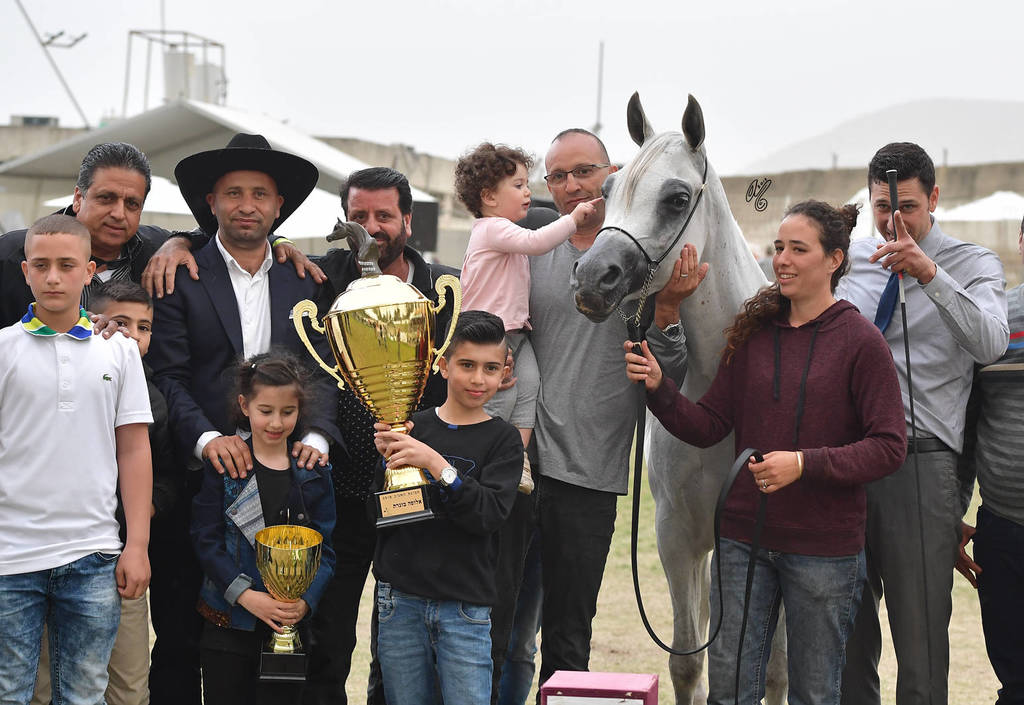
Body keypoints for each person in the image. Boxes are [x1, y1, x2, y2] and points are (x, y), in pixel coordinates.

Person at [625, 200, 907, 704]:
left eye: (799, 249)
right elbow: (709, 424)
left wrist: (804, 464)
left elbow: (888, 448)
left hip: (824, 552)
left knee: (813, 694)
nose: (782, 260)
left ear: (834, 260)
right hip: (741, 545)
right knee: (729, 690)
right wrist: (659, 387)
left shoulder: (862, 342)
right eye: (779, 248)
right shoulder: (752, 335)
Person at [837, 143, 1009, 705]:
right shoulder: (848, 260)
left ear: (935, 198)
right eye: (883, 206)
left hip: (922, 463)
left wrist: (929, 273)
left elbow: (990, 342)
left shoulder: (973, 263)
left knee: (921, 641)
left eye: (907, 205)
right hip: (845, 462)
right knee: (846, 637)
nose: (895, 220)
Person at [526, 128, 690, 694]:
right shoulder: (531, 249)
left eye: (584, 171)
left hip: (588, 472)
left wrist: (666, 311)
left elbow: (673, 371)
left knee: (568, 637)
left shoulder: (644, 261)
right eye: (557, 176)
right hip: (514, 468)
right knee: (495, 628)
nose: (572, 186)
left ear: (612, 174)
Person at [304, 166, 459, 705]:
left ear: (408, 221)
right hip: (340, 489)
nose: (370, 227)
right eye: (358, 216)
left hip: (416, 492)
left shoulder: (444, 289)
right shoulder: (319, 279)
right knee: (329, 632)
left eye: (383, 216)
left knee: (405, 638)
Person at [0, 214, 153, 704]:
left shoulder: (120, 351)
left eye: (66, 265)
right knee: (10, 691)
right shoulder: (3, 349)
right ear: (25, 271)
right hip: (10, 556)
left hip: (93, 553)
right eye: (41, 265)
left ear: (89, 272)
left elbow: (133, 450)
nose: (52, 277)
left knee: (85, 693)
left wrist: (137, 545)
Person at [32, 280, 178, 705]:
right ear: (93, 319)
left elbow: (167, 474)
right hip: (49, 552)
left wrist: (138, 520)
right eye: (120, 322)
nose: (133, 334)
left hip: (118, 557)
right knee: (45, 684)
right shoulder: (53, 373)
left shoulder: (156, 397)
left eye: (144, 326)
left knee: (129, 685)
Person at [371, 310, 523, 705]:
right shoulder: (410, 426)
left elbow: (488, 514)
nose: (478, 379)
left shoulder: (503, 440)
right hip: (400, 604)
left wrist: (437, 465)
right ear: (442, 365)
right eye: (467, 365)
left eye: (490, 368)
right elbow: (381, 515)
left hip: (465, 609)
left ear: (505, 372)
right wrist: (384, 463)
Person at [191, 352, 337, 705]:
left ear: (300, 410)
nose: (276, 422)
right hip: (229, 625)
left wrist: (305, 602)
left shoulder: (314, 472)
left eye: (288, 412)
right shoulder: (225, 466)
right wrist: (245, 595)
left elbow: (327, 551)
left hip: (288, 628)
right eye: (265, 411)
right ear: (244, 405)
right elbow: (205, 540)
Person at [454, 142, 600, 466]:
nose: (527, 192)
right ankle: (480, 462)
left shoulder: (504, 233)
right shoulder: (492, 229)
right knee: (498, 398)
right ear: (489, 197)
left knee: (529, 387)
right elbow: (537, 242)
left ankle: (515, 459)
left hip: (516, 334)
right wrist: (574, 219)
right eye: (518, 185)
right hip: (490, 338)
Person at [955, 213, 1024, 705]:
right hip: (1002, 533)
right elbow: (968, 422)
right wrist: (954, 509)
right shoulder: (995, 322)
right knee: (1016, 683)